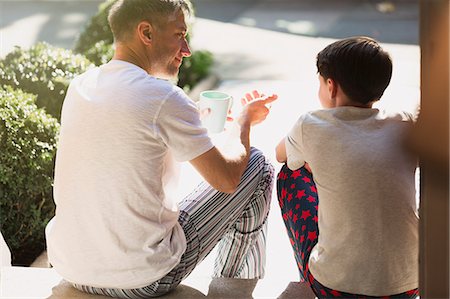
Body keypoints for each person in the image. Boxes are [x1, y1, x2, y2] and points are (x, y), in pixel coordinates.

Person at [45, 0, 278, 297]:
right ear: (146, 32)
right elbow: (227, 179)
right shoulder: (164, 97)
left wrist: (193, 115)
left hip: (73, 270)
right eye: (180, 34)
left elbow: (129, 125)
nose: (187, 49)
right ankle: (234, 287)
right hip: (143, 280)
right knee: (256, 165)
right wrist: (243, 121)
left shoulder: (81, 85)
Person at [275, 37, 419, 298]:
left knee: (291, 173)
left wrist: (313, 162)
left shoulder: (310, 124)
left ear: (331, 87)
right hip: (408, 284)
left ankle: (309, 282)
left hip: (337, 288)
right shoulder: (404, 123)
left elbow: (280, 154)